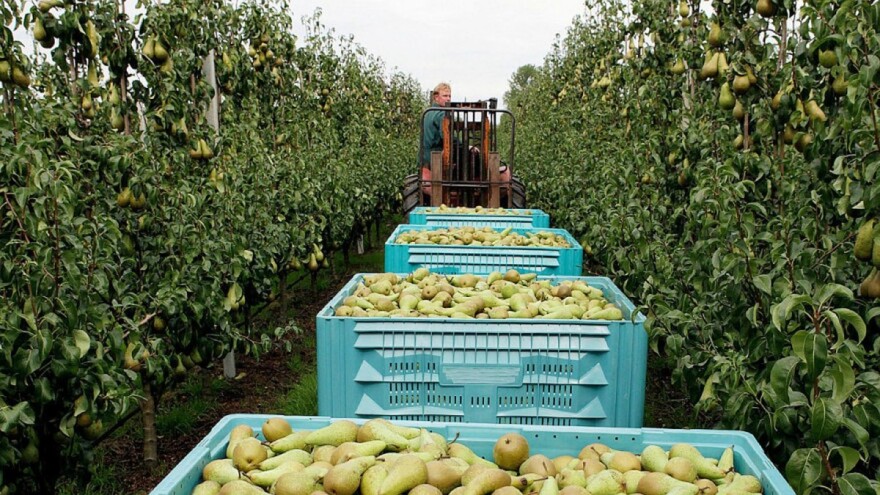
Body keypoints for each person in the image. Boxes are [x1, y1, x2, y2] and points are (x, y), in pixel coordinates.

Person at [421, 82, 451, 166]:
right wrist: (466, 147)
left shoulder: (427, 113)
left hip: (424, 158)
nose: (448, 99)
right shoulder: (442, 114)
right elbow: (448, 137)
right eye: (445, 96)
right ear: (436, 97)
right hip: (436, 159)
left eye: (449, 96)